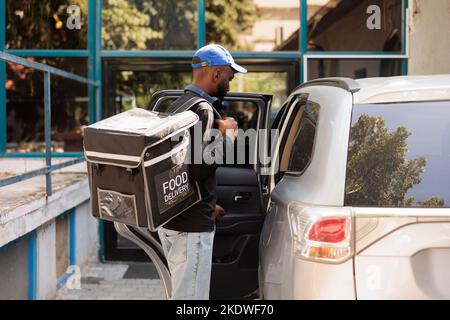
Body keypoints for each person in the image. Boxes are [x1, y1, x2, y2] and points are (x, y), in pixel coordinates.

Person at [157, 44, 247, 300]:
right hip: (191, 228)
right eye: (229, 78)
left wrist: (209, 203)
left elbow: (179, 166)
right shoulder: (203, 110)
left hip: (174, 219)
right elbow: (199, 167)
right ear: (216, 74)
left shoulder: (177, 105)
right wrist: (228, 136)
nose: (229, 85)